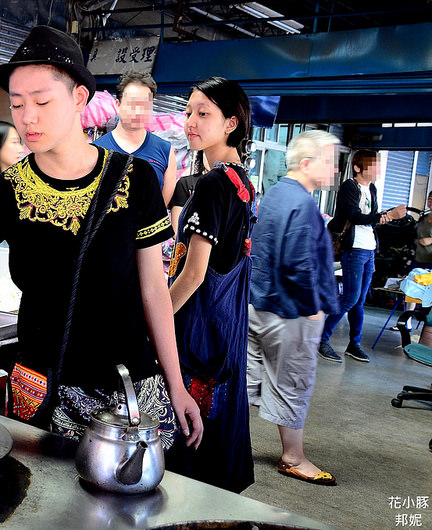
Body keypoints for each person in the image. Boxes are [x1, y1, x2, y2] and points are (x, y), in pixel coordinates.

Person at [0, 25, 202, 450]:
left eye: (42, 101)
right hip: (41, 390)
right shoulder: (3, 191)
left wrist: (177, 385)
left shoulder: (136, 181)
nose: (28, 117)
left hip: (130, 393)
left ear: (79, 97)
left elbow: (154, 290)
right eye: (18, 104)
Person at [164, 76, 255, 493]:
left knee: (185, 426)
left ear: (231, 123)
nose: (191, 122)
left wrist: (155, 319)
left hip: (195, 326)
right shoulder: (242, 181)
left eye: (204, 114)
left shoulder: (214, 184)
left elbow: (195, 273)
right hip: (225, 325)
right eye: (188, 112)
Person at [247, 130, 341, 487]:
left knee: (249, 379)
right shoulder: (301, 204)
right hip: (290, 312)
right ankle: (293, 457)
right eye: (329, 162)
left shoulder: (274, 194)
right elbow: (300, 263)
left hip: (260, 304)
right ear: (306, 163)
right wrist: (313, 307)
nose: (334, 170)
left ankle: (223, 441)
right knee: (293, 383)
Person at [319, 150, 407, 363]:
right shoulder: (350, 186)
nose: (377, 169)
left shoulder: (372, 188)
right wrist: (387, 216)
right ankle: (321, 339)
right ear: (358, 167)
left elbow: (371, 219)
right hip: (354, 248)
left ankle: (354, 344)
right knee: (350, 297)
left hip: (369, 248)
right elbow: (356, 217)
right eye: (372, 165)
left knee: (359, 299)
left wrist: (386, 217)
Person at [92, 72, 177, 207]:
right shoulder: (95, 150)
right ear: (118, 105)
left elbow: (160, 209)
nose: (138, 111)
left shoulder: (165, 151)